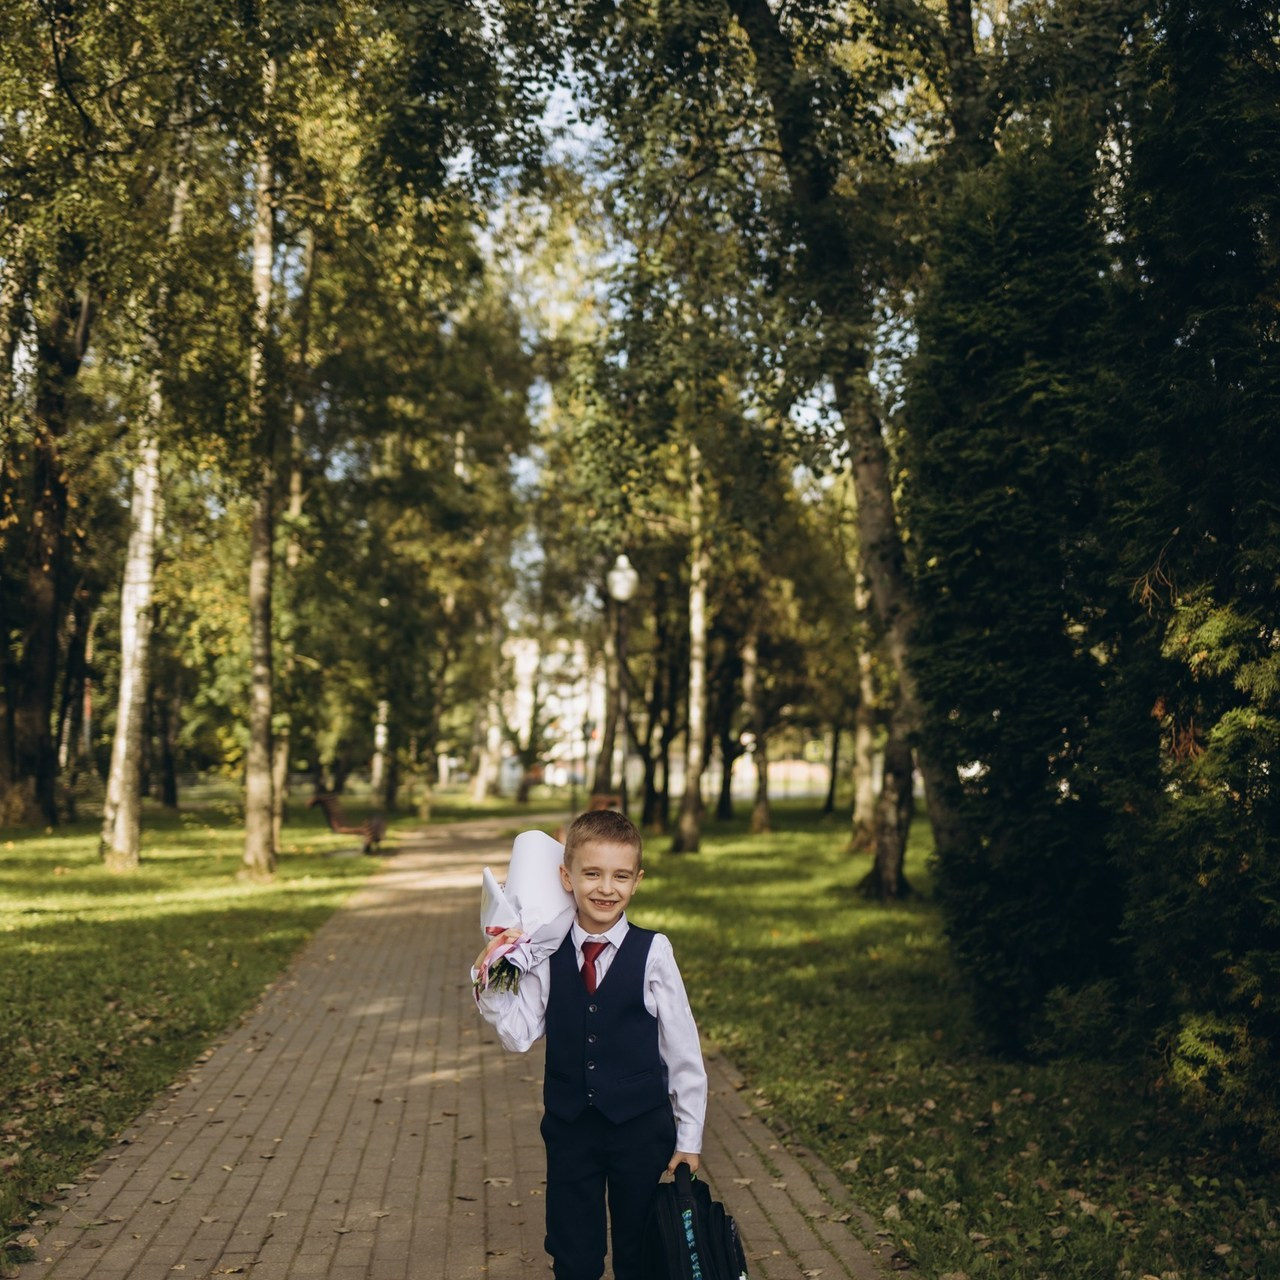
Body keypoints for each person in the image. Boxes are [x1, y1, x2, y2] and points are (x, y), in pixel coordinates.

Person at [472, 809, 707, 1280]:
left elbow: (683, 1051)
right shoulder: (544, 954)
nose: (606, 888)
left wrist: (689, 1137)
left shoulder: (653, 951)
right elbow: (518, 1038)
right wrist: (494, 974)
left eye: (620, 876)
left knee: (640, 1253)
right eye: (592, 874)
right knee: (573, 1254)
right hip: (570, 1128)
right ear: (567, 876)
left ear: (637, 881)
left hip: (641, 1127)